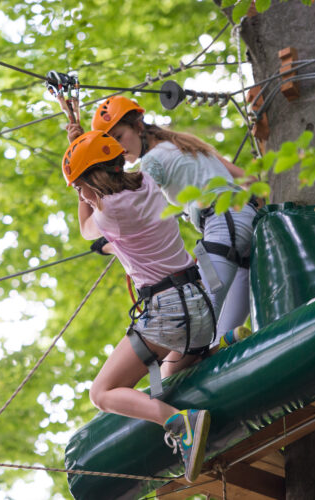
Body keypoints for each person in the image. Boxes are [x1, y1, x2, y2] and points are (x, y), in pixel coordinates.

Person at [62, 130, 216, 482]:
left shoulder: (109, 215)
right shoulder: (148, 180)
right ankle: (218, 351)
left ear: (91, 182)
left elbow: (86, 226)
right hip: (201, 309)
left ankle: (177, 423)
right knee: (168, 382)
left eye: (79, 188)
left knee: (101, 393)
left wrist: (79, 185)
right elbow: (102, 174)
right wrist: (79, 144)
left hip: (169, 317)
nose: (80, 194)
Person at [67, 96, 257, 375]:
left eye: (118, 136)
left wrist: (86, 160)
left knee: (186, 340)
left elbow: (126, 198)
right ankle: (227, 345)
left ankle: (178, 408)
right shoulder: (184, 144)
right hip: (243, 228)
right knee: (218, 337)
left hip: (222, 227)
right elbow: (247, 179)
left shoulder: (153, 161)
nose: (117, 147)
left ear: (138, 125)